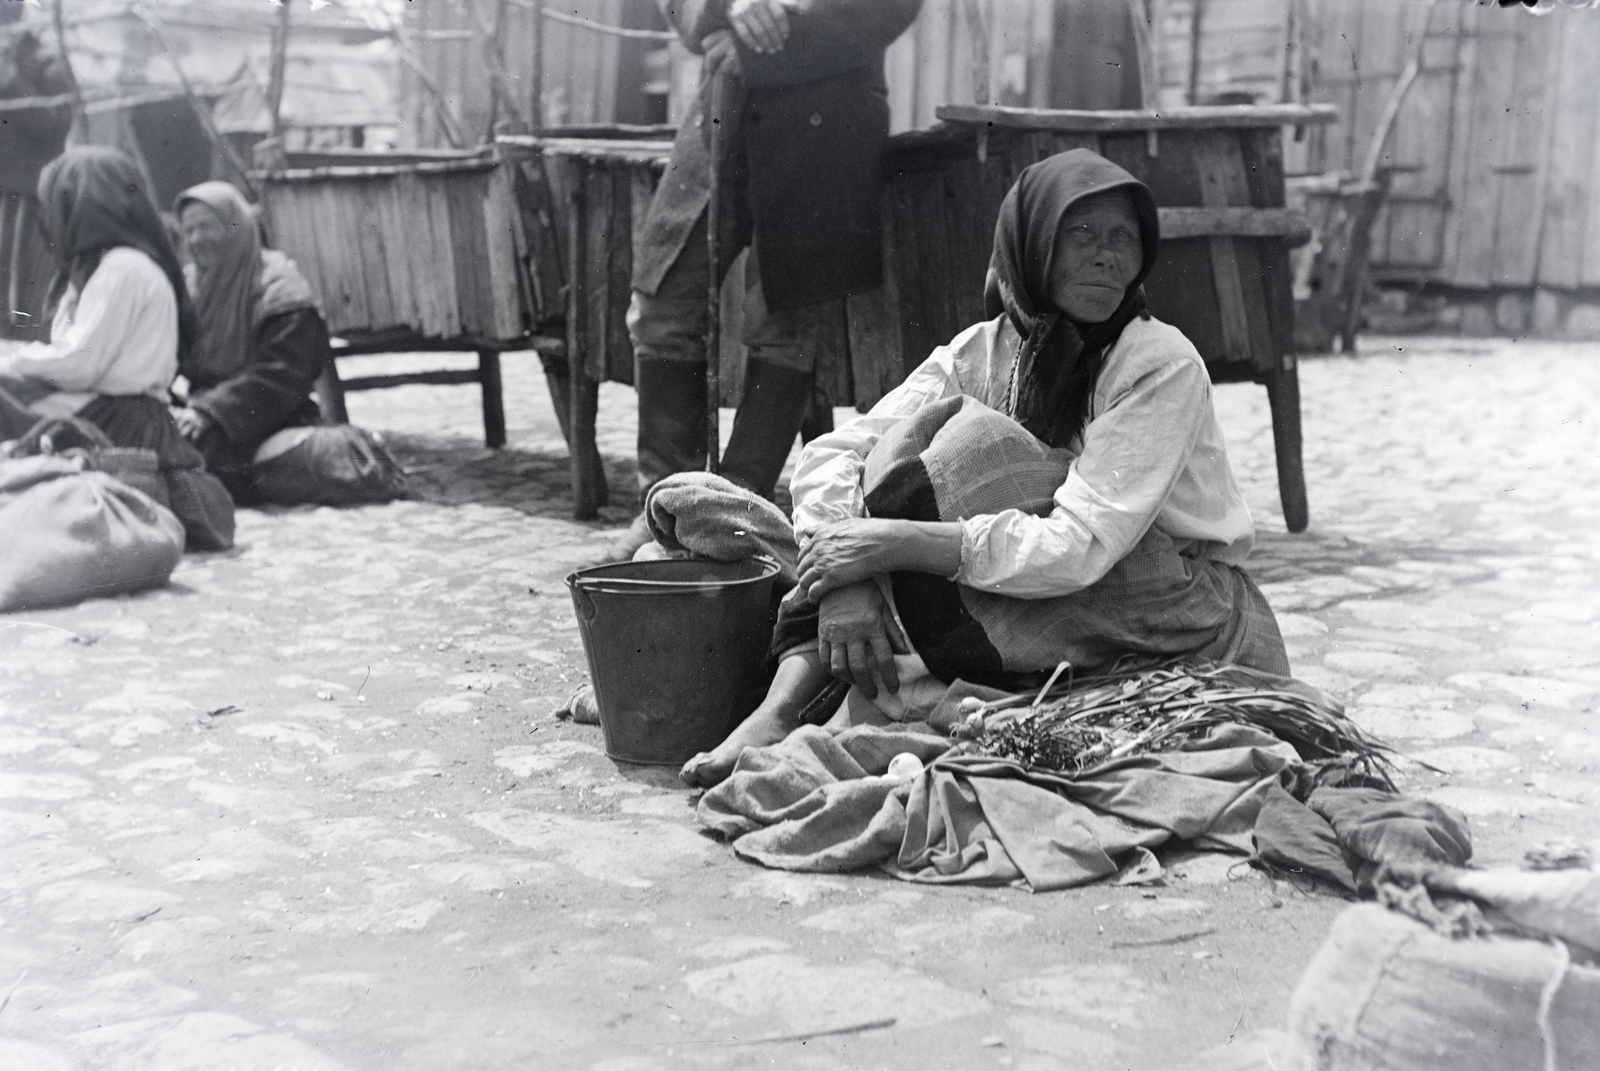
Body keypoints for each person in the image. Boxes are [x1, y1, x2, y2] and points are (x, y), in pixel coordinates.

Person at [681, 148, 1288, 787]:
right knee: (898, 457)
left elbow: (1080, 544)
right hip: (1042, 569)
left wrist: (892, 544)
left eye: (1124, 239)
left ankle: (862, 701)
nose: (1107, 256)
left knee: (970, 455)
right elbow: (836, 451)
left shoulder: (1158, 364)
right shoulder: (987, 349)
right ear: (1032, 242)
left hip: (1169, 594)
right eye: (1082, 234)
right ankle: (780, 712)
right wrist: (843, 579)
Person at [604, 0, 923, 561]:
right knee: (662, 304)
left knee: (785, 322)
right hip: (720, 112)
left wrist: (761, 46)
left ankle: (731, 514)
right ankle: (667, 512)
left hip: (824, 116)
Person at [0, 146, 233, 549]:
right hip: (112, 410)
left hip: (123, 420)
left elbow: (79, 364)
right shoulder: (101, 269)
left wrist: (12, 360)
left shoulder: (123, 268)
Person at [171, 181, 330, 501]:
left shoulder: (278, 287)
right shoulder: (191, 289)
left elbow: (282, 374)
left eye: (206, 226)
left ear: (235, 227)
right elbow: (167, 359)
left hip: (268, 415)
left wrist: (210, 411)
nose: (196, 239)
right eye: (188, 231)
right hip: (204, 414)